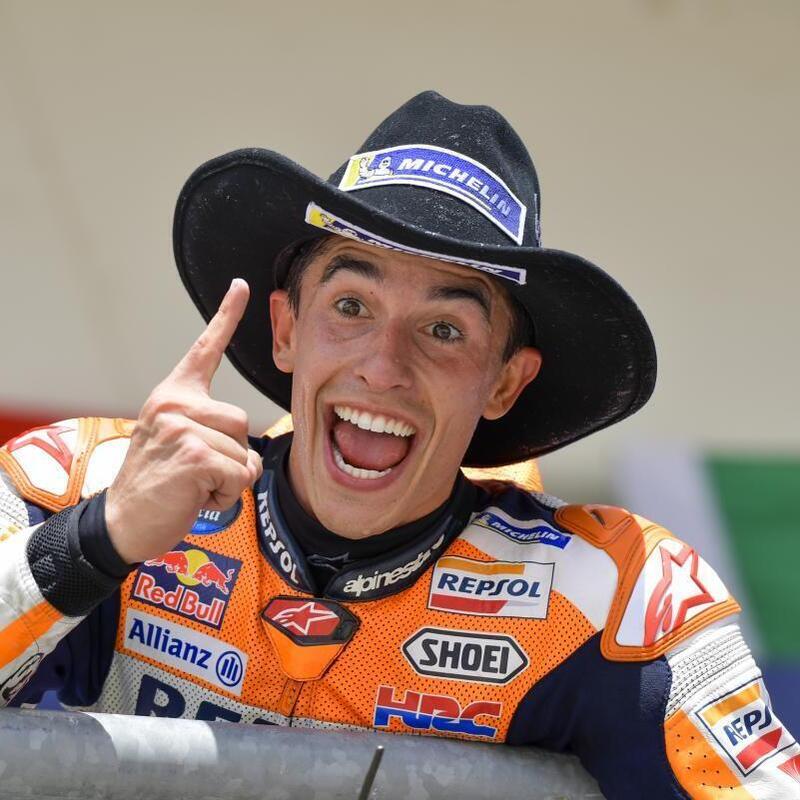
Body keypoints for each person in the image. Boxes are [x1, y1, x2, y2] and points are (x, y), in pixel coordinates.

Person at [0, 91, 797, 799]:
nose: (383, 368)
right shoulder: (76, 482)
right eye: (351, 306)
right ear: (285, 328)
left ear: (504, 383)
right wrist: (96, 541)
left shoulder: (612, 600)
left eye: (444, 329)